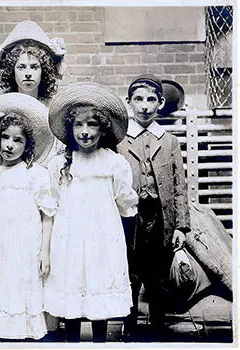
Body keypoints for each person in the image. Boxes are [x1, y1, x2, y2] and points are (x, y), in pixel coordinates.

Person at [44, 83, 138, 342]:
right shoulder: (59, 165)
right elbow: (52, 204)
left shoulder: (113, 163)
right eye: (79, 125)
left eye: (92, 125)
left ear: (103, 128)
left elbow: (126, 203)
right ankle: (72, 342)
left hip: (103, 238)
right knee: (71, 290)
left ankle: (99, 343)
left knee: (99, 289)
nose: (85, 132)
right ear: (70, 129)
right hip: (69, 237)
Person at [0, 93, 57, 341]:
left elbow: (47, 216)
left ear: (27, 145)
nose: (9, 145)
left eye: (18, 140)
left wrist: (44, 251)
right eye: (5, 138)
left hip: (25, 245)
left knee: (24, 284)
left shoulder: (35, 175)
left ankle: (26, 335)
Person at [118, 74, 190, 341]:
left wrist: (181, 226)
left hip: (160, 217)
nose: (145, 106)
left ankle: (158, 330)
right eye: (138, 99)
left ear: (160, 103)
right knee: (131, 273)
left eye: (151, 99)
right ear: (129, 103)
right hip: (131, 218)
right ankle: (130, 327)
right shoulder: (120, 140)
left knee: (158, 276)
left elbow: (180, 185)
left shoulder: (169, 141)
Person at [0, 21, 67, 177]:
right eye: (22, 67)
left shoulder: (53, 110)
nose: (28, 73)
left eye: (34, 67)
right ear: (12, 71)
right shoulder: (1, 109)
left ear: (43, 71)